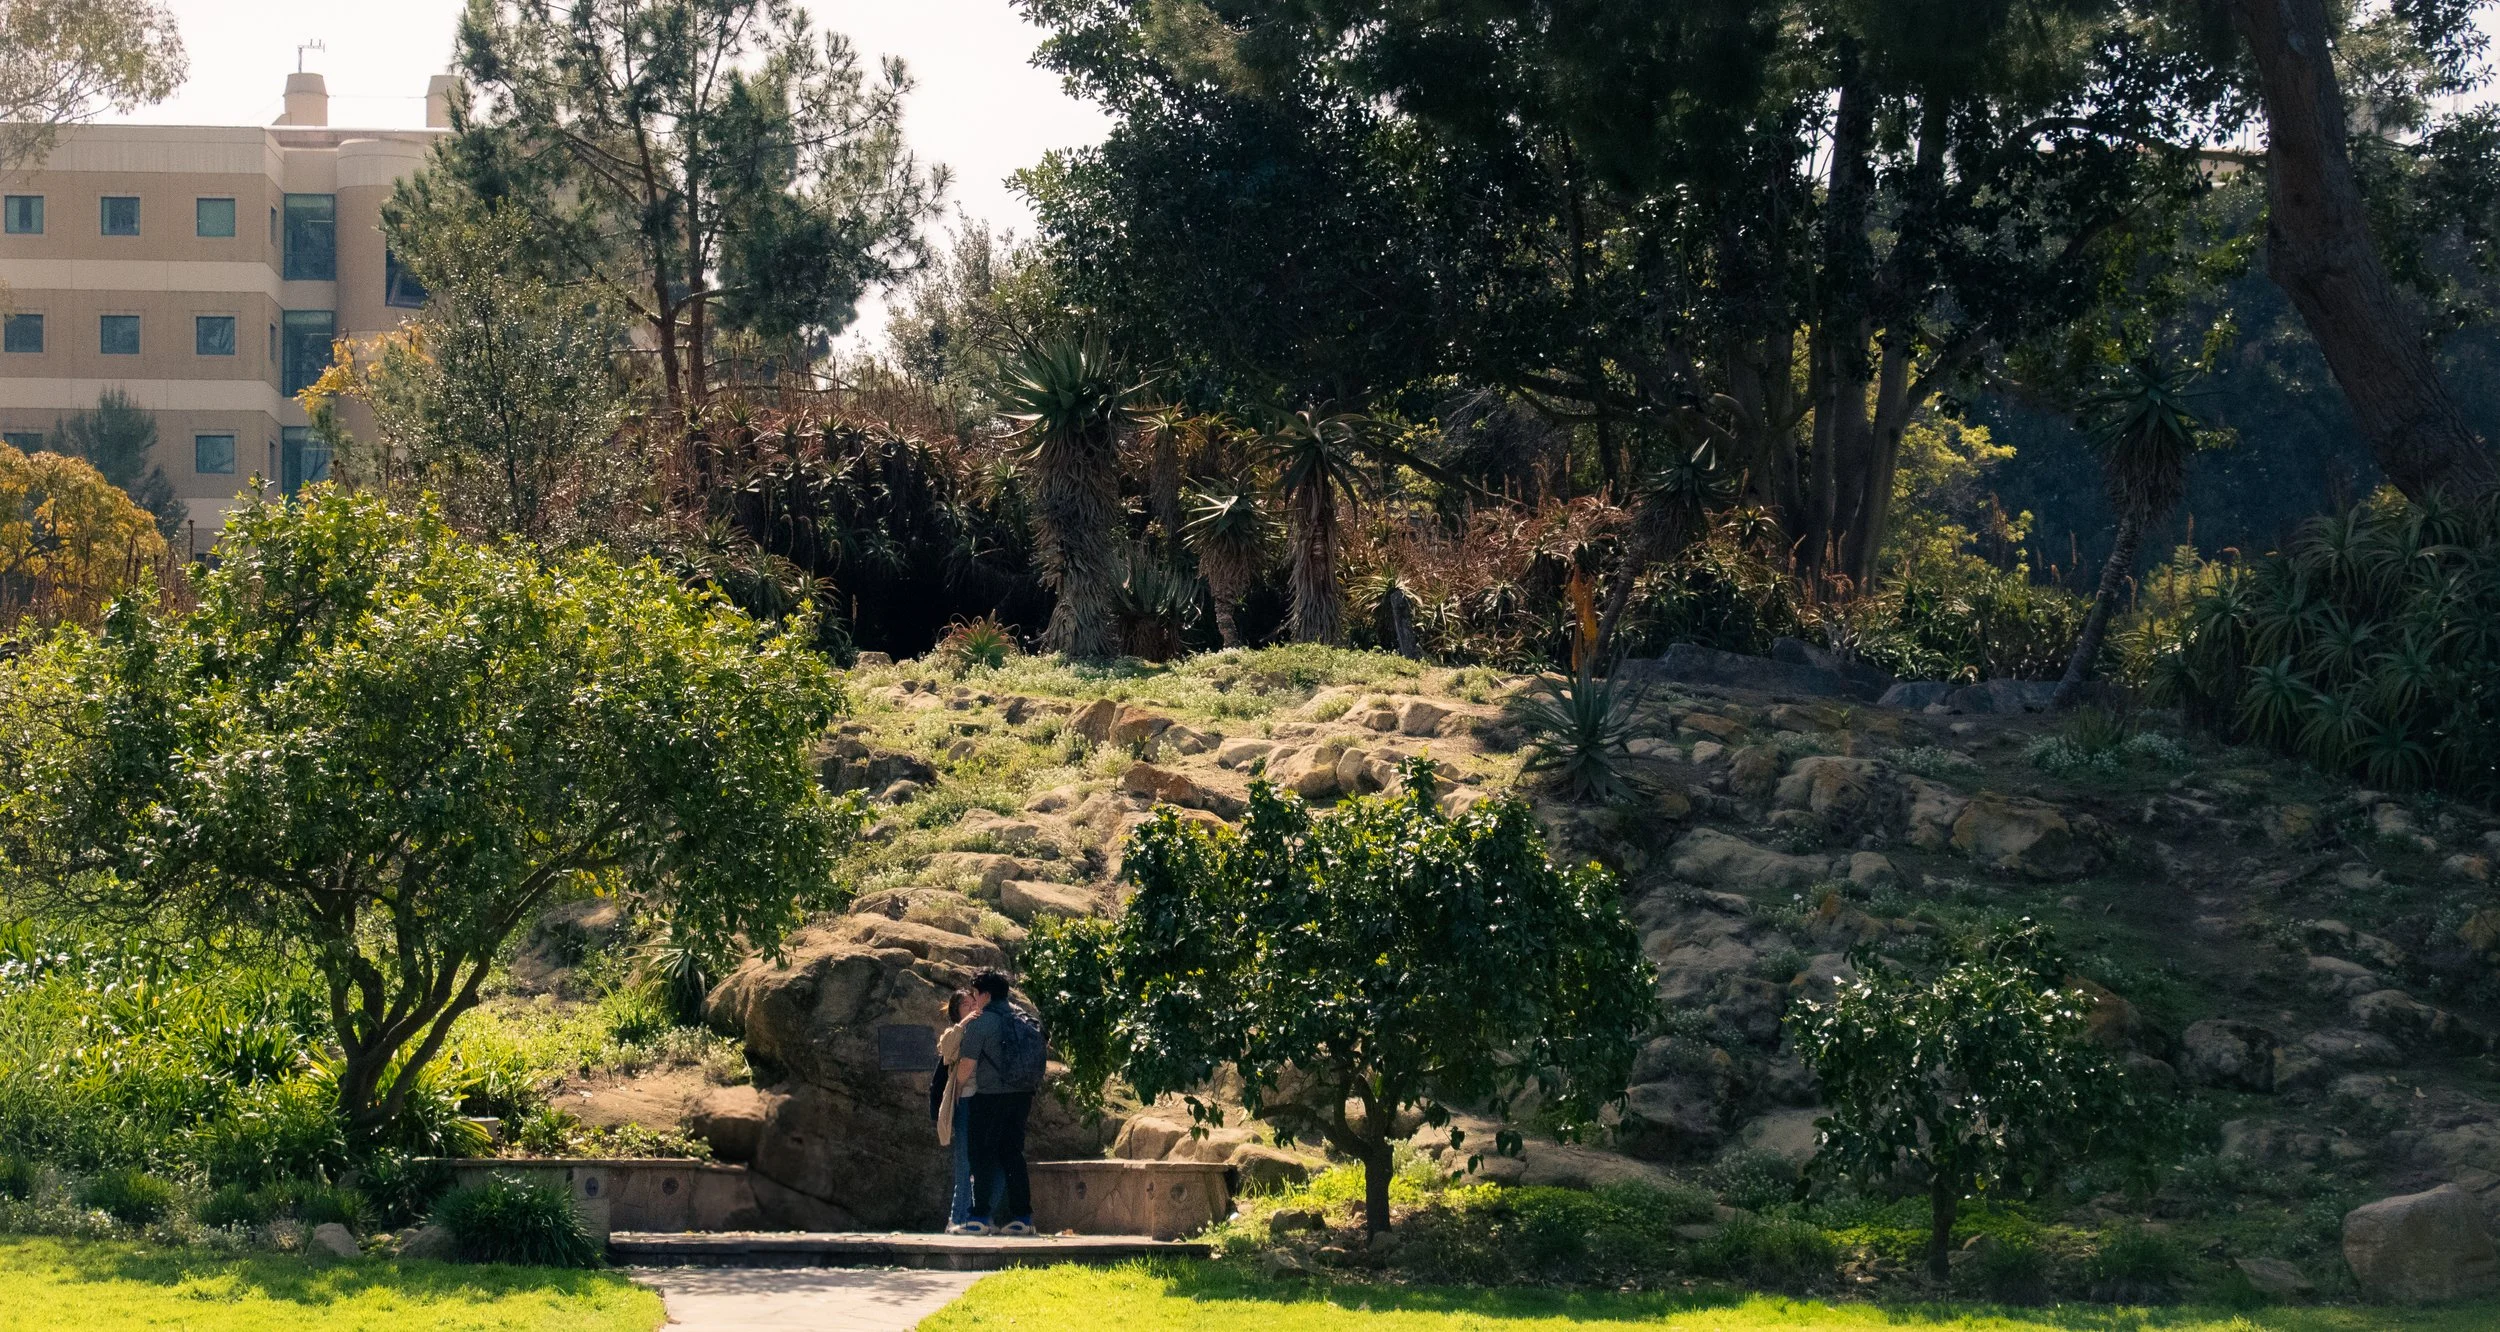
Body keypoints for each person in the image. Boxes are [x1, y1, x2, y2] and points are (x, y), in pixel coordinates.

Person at [952, 969, 1039, 1236]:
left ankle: (978, 1219)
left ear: (986, 995)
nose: (974, 999)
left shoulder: (981, 1023)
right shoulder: (1024, 1018)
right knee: (1012, 1154)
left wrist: (953, 1097)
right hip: (1022, 1095)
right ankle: (1023, 1218)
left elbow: (966, 1066)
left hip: (990, 1097)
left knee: (981, 1156)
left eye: (976, 994)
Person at [929, 988, 1004, 1233]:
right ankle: (957, 1218)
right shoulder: (954, 1032)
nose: (973, 1008)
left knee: (993, 1163)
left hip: (989, 1101)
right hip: (967, 1102)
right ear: (956, 1012)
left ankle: (981, 1215)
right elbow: (947, 1053)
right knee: (964, 1162)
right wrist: (963, 1024)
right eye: (965, 1005)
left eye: (974, 1003)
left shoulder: (988, 1028)